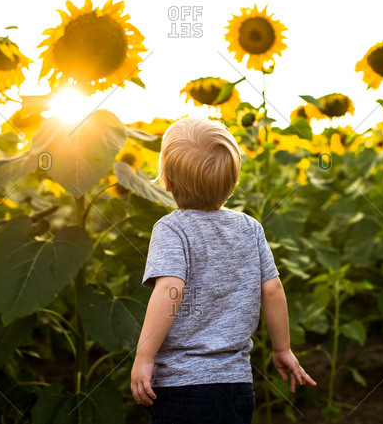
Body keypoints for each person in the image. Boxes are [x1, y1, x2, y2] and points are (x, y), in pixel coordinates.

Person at [130, 118, 316, 423]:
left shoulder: (171, 229)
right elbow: (272, 289)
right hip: (237, 385)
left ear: (166, 180)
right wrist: (283, 349)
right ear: (233, 180)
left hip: (182, 386)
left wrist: (144, 355)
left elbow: (170, 290)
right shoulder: (250, 228)